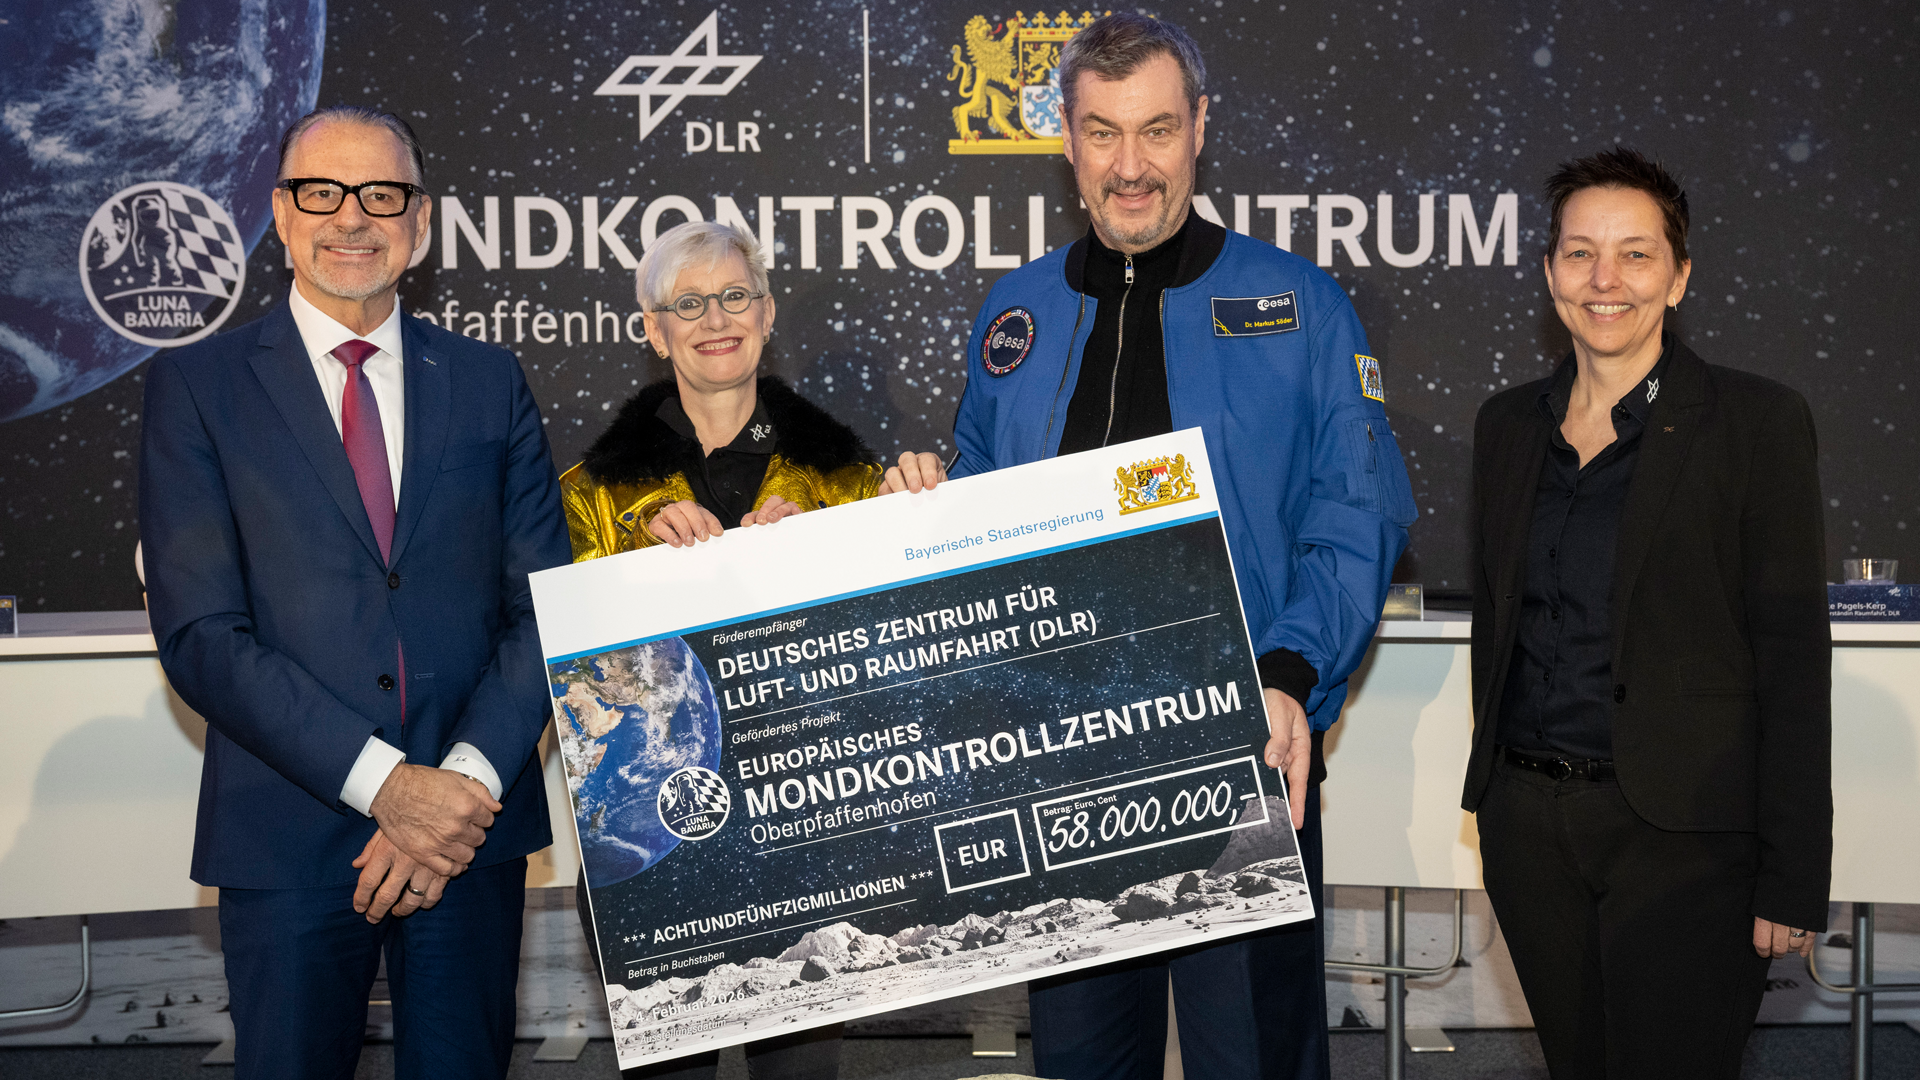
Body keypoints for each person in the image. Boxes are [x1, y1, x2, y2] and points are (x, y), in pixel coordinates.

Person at [945, 14, 1416, 1080]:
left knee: (1253, 1055)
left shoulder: (1302, 305)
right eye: (1103, 132)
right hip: (1061, 766)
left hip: (1241, 749)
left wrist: (1291, 672)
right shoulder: (1014, 312)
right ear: (1067, 139)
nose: (1131, 166)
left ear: (1200, 127)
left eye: (1157, 130)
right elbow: (975, 505)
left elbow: (1355, 515)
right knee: (1080, 1059)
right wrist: (915, 511)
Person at [140, 106, 570, 1080]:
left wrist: (457, 790)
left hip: (468, 833)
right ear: (279, 214)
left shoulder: (488, 380)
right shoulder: (200, 386)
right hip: (290, 837)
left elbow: (541, 607)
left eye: (381, 194)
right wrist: (390, 788)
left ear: (420, 222)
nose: (351, 217)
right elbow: (202, 633)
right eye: (320, 192)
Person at [1462, 146, 1831, 1079]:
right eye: (1580, 254)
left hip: (1687, 843)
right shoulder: (1506, 427)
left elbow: (1793, 660)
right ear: (1550, 273)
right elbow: (1498, 628)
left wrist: (1794, 873)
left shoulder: (1755, 423)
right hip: (1530, 833)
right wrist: (1497, 803)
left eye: (1635, 254)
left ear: (1679, 277)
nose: (1606, 280)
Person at [557, 219, 946, 1079]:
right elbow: (562, 666)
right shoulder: (588, 498)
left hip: (804, 838)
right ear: (654, 330)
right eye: (688, 303)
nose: (715, 318)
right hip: (652, 852)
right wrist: (634, 559)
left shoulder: (849, 482)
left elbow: (899, 665)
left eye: (735, 295)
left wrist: (902, 523)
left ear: (767, 315)